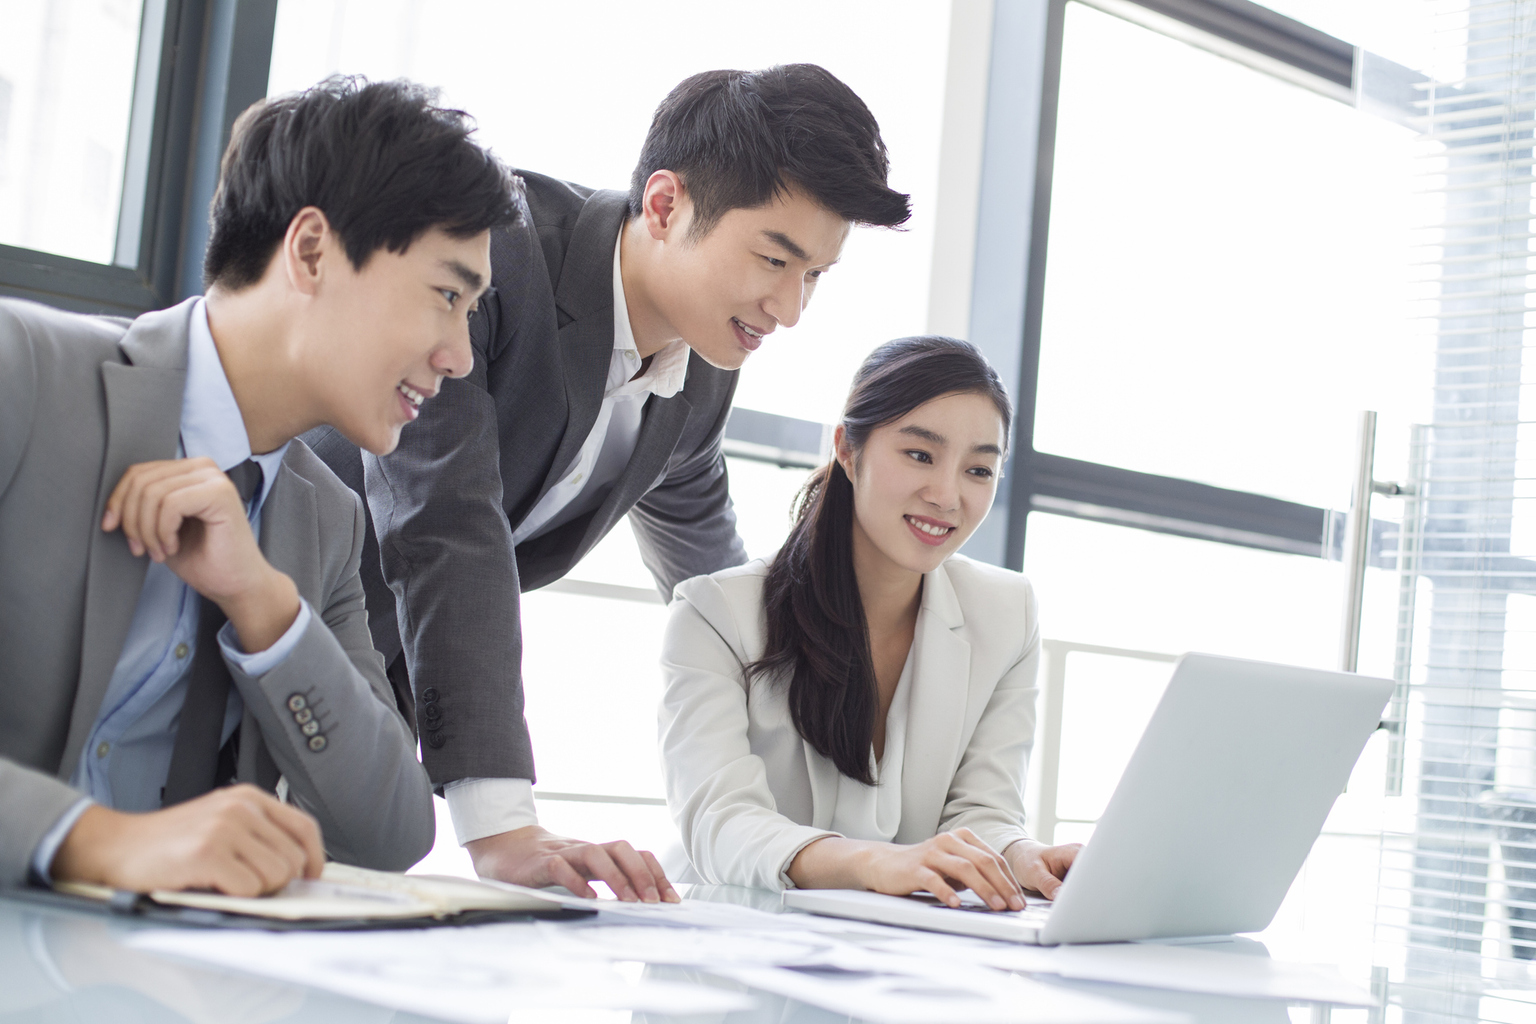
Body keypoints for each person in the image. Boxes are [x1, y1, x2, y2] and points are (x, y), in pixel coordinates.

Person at [306, 63, 912, 902]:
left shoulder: (700, 375)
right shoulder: (493, 252)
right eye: (775, 259)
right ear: (664, 205)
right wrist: (503, 825)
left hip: (366, 706)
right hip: (247, 598)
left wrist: (839, 821)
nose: (791, 308)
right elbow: (444, 521)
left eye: (814, 276)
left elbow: (713, 585)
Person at [0, 76, 519, 894]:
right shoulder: (22, 373)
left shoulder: (327, 522)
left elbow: (391, 832)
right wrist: (94, 842)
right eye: (447, 296)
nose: (459, 354)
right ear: (310, 251)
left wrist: (265, 605)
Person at [658, 336, 1081, 904]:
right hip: (732, 936)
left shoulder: (1007, 614)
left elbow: (983, 810)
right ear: (848, 451)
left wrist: (1021, 855)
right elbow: (721, 822)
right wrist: (874, 862)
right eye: (920, 455)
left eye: (979, 470)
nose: (947, 495)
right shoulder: (715, 613)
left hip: (892, 956)